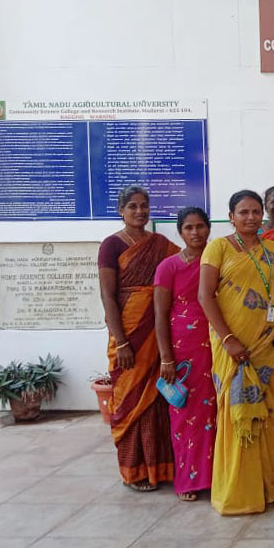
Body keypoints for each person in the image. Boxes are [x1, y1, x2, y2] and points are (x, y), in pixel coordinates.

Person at [198, 190, 274, 515]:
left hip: (268, 346)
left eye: (256, 212)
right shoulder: (219, 248)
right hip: (233, 348)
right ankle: (237, 492)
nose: (251, 217)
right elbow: (205, 296)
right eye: (244, 212)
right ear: (231, 216)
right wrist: (227, 338)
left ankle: (268, 485)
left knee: (270, 415)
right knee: (236, 417)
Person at [98, 185, 180, 492]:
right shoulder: (111, 245)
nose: (140, 211)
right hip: (128, 333)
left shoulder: (159, 243)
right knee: (132, 401)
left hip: (157, 330)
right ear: (121, 211)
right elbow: (107, 295)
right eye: (132, 206)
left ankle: (161, 467)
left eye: (144, 205)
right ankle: (134, 472)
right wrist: (121, 342)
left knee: (158, 399)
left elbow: (186, 262)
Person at [154, 207, 215, 502]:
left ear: (208, 228)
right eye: (189, 227)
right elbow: (160, 314)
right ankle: (188, 481)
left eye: (201, 226)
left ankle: (217, 477)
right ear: (180, 231)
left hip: (216, 343)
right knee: (185, 413)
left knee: (215, 412)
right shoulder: (169, 266)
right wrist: (166, 358)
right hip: (183, 348)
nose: (195, 233)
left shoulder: (217, 260)